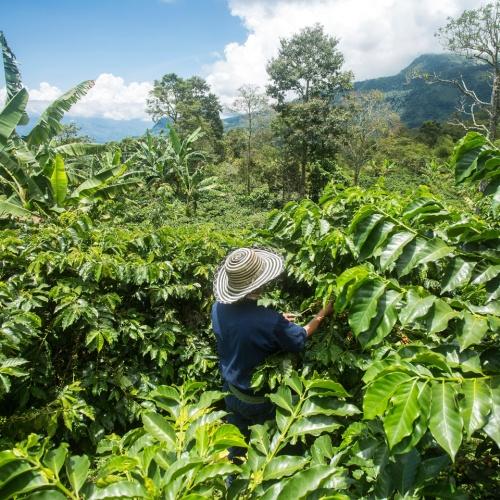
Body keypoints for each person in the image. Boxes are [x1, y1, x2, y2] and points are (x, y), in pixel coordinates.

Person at [211, 247, 333, 461]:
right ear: (259, 283)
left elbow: (244, 330)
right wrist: (322, 314)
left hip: (230, 391)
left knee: (236, 448)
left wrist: (275, 321)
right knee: (271, 447)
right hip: (259, 400)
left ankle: (231, 485)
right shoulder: (268, 321)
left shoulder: (217, 308)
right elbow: (300, 337)